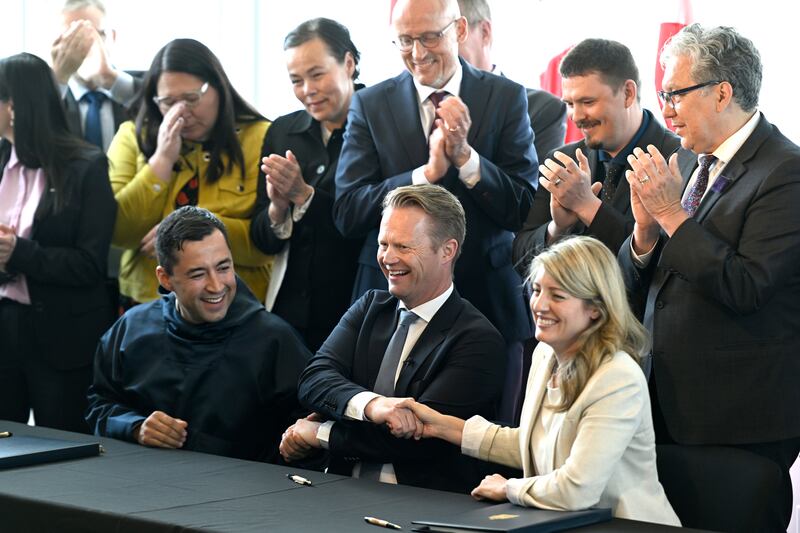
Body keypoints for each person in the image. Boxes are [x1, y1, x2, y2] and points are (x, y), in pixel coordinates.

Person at [620, 24, 800, 531]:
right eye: (663, 95)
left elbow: (747, 286)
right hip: (661, 404)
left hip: (737, 415)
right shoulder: (683, 162)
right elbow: (640, 286)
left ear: (722, 92)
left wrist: (672, 215)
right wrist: (644, 231)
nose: (667, 108)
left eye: (675, 93)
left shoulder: (785, 171)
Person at [333, 0, 537, 424]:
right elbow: (349, 211)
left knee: (479, 435)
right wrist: (423, 175)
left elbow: (522, 207)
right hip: (392, 300)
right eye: (405, 40)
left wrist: (467, 159)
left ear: (460, 29)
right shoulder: (371, 104)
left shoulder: (504, 97)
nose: (418, 52)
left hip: (484, 296)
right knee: (388, 421)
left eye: (430, 37)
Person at [399, 236, 680, 525]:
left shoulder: (618, 378)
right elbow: (534, 444)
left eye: (557, 296)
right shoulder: (546, 354)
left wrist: (509, 488)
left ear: (595, 309)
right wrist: (440, 425)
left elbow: (576, 490)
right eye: (536, 290)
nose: (540, 305)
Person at [280, 184, 506, 492]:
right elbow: (313, 379)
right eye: (383, 244)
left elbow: (417, 440)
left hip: (422, 504)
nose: (387, 258)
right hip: (336, 489)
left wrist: (319, 433)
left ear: (447, 250)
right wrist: (373, 406)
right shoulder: (369, 307)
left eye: (403, 247)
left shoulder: (478, 339)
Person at [86, 206, 310, 462]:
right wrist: (134, 427)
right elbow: (99, 404)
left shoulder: (275, 341)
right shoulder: (131, 329)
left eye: (224, 267)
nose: (216, 286)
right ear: (165, 278)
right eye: (198, 274)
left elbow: (308, 429)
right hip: (143, 486)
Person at [108, 38, 272, 309]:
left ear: (218, 88)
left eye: (191, 98)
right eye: (168, 102)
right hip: (148, 302)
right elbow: (117, 231)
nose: (181, 111)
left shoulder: (261, 137)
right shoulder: (130, 136)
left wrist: (185, 233)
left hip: (233, 303)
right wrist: (161, 161)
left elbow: (266, 243)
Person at [0, 53, 116, 433]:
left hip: (62, 337)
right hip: (6, 327)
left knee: (62, 455)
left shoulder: (86, 165)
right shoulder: (2, 157)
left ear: (14, 106)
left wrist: (19, 252)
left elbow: (90, 265)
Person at [513, 39, 680, 277]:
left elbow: (668, 264)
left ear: (628, 93)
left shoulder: (677, 158)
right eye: (570, 104)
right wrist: (558, 228)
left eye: (588, 102)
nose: (576, 116)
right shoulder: (562, 159)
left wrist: (586, 206)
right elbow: (520, 259)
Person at [250, 18, 362, 351]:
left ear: (349, 63)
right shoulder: (283, 131)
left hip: (353, 305)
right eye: (296, 80)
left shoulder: (378, 125)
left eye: (317, 75)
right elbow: (261, 239)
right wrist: (278, 208)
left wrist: (304, 195)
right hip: (290, 311)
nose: (307, 90)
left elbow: (370, 224)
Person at [456, 0, 566, 163]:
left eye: (441, 35)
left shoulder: (541, 109)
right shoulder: (412, 106)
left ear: (484, 32)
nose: (424, 53)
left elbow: (533, 185)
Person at [52, 0, 139, 151]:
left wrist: (109, 78)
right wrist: (59, 76)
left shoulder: (139, 86)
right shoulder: (51, 95)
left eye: (91, 35)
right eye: (70, 38)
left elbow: (159, 106)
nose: (81, 46)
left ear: (111, 37)